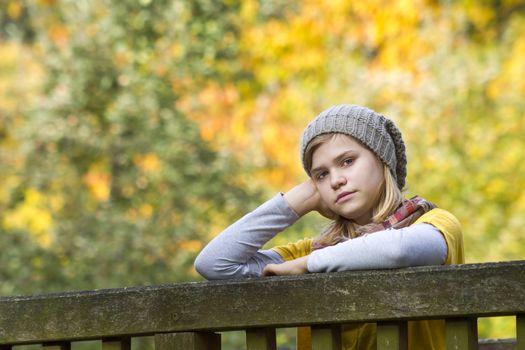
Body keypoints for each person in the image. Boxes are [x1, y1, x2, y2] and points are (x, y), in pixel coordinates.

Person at [194, 104, 464, 350]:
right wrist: (298, 199)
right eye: (321, 175)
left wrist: (308, 265)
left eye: (347, 161)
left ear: (383, 161)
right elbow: (214, 263)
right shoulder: (311, 249)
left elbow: (398, 250)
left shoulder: (433, 223)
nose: (336, 180)